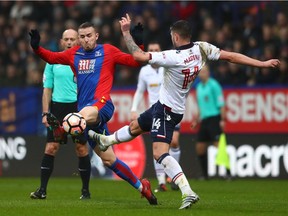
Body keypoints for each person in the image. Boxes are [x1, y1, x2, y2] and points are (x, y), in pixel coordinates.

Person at [88, 14, 280, 210]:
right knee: (136, 126)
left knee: (159, 153)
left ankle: (187, 191)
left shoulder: (173, 57)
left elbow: (138, 57)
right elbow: (231, 56)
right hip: (169, 107)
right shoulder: (202, 48)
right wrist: (262, 63)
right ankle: (107, 141)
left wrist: (126, 33)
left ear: (176, 37)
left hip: (166, 110)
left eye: (172, 36)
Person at [28, 22, 157, 205]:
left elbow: (136, 61)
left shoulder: (108, 51)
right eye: (82, 36)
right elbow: (51, 57)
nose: (85, 39)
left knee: (77, 117)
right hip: (87, 118)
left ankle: (64, 129)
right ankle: (142, 187)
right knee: (109, 160)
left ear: (96, 36)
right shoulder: (74, 54)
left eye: (89, 35)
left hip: (102, 107)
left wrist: (138, 42)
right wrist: (36, 47)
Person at [30, 29, 91, 200]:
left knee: (81, 148)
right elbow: (47, 89)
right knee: (51, 147)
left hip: (78, 108)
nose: (70, 42)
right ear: (61, 41)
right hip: (57, 109)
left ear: (78, 41)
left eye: (73, 39)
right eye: (67, 39)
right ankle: (42, 190)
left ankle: (85, 191)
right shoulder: (52, 62)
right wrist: (45, 113)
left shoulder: (84, 61)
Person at [130, 41, 181, 192]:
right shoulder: (144, 71)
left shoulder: (169, 66)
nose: (153, 51)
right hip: (155, 112)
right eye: (151, 49)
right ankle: (161, 182)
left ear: (160, 51)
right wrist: (134, 109)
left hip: (171, 109)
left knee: (175, 142)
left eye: (156, 50)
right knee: (157, 145)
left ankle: (172, 177)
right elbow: (140, 91)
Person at [191, 65, 230, 180]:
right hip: (204, 120)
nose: (202, 74)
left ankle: (228, 173)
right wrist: (196, 120)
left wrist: (222, 120)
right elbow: (200, 106)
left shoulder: (214, 85)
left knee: (218, 146)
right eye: (200, 72)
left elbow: (221, 104)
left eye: (204, 71)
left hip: (214, 118)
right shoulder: (198, 87)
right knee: (200, 147)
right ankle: (205, 175)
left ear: (208, 73)